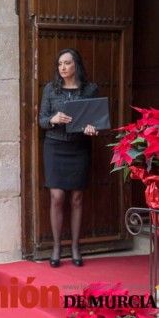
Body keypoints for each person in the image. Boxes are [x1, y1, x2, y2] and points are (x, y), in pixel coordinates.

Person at [38, 48, 99, 268]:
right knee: (57, 196)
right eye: (60, 64)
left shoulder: (90, 89)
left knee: (77, 198)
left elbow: (96, 120)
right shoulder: (50, 89)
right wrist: (54, 119)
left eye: (67, 63)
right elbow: (42, 120)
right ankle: (56, 246)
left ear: (76, 65)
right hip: (55, 147)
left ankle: (75, 246)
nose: (63, 68)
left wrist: (93, 128)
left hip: (79, 148)